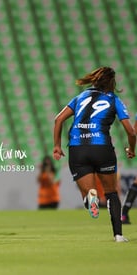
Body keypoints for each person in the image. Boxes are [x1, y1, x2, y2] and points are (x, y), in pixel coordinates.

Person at [53, 66, 136, 242]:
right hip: (101, 148)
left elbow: (58, 119)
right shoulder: (114, 100)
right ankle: (118, 235)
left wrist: (57, 146)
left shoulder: (80, 97)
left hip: (77, 148)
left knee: (89, 191)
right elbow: (131, 132)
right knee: (112, 193)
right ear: (112, 82)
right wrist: (132, 149)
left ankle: (89, 198)